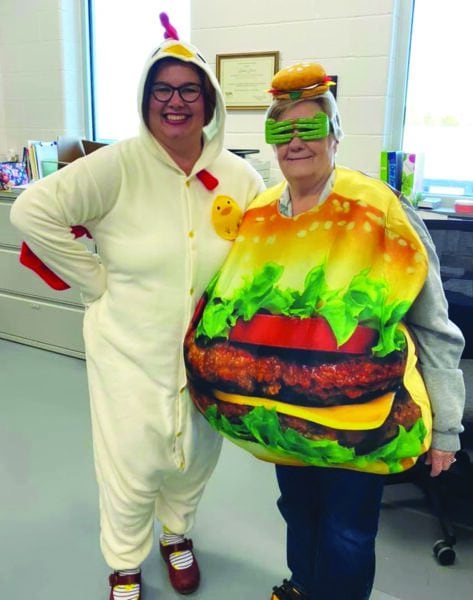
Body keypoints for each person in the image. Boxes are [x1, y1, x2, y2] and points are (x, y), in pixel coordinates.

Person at [184, 62, 466, 600]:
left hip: (361, 423)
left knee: (347, 530)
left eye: (310, 129)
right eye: (280, 130)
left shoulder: (379, 208)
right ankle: (302, 587)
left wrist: (447, 427)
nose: (295, 143)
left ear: (335, 135)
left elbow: (435, 325)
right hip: (284, 415)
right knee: (297, 511)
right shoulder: (262, 212)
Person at [10, 14, 264, 600]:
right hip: (128, 348)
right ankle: (124, 564)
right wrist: (94, 280)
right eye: (162, 90)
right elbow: (31, 211)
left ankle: (178, 535)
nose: (175, 102)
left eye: (188, 89)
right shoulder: (117, 165)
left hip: (207, 356)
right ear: (147, 98)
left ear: (209, 99)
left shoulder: (239, 176)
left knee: (194, 457)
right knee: (130, 463)